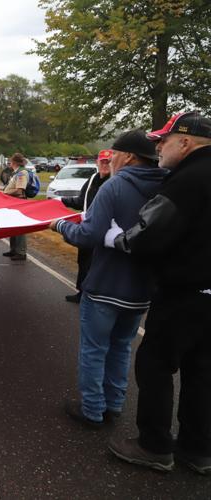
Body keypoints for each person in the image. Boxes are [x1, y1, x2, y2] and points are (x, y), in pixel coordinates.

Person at [103, 112, 211, 475]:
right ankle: (198, 449)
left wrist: (115, 238)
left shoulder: (187, 180)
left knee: (155, 365)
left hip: (184, 290)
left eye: (163, 140)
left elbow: (148, 234)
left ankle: (154, 446)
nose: (158, 147)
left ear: (185, 142)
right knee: (203, 371)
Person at [50, 130, 166, 428]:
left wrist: (61, 226)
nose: (109, 159)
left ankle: (92, 410)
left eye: (113, 153)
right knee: (121, 348)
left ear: (128, 156)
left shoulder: (114, 186)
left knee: (94, 349)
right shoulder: (167, 185)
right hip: (141, 289)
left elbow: (89, 236)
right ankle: (113, 404)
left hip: (105, 285)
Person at [60, 149, 113, 303]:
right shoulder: (92, 179)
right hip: (87, 228)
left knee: (98, 264)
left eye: (108, 162)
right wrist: (61, 201)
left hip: (105, 230)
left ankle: (95, 296)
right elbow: (80, 201)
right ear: (97, 162)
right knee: (83, 262)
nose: (105, 165)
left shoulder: (114, 181)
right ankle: (82, 292)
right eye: (102, 161)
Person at [2, 153, 30, 261]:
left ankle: (21, 252)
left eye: (10, 161)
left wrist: (5, 194)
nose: (9, 163)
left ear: (14, 162)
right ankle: (13, 250)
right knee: (13, 227)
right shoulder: (16, 173)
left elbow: (19, 190)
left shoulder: (22, 173)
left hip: (19, 202)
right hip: (13, 202)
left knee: (20, 228)